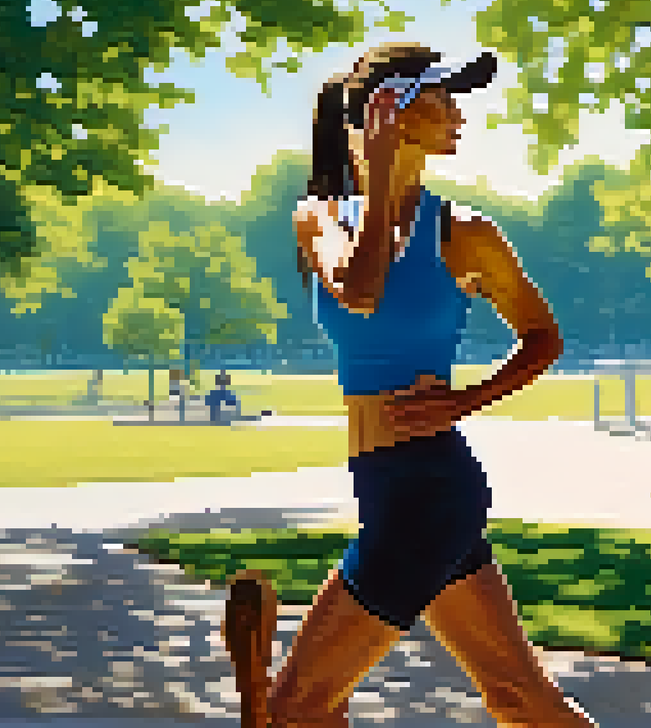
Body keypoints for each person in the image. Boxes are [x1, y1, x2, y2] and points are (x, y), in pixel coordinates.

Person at [222, 43, 596, 727]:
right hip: (386, 483)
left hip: (430, 492)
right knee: (519, 698)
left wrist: (465, 400)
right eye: (441, 96)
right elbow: (360, 289)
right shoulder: (323, 217)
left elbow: (543, 337)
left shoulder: (466, 235)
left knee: (296, 709)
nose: (459, 114)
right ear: (385, 112)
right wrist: (383, 171)